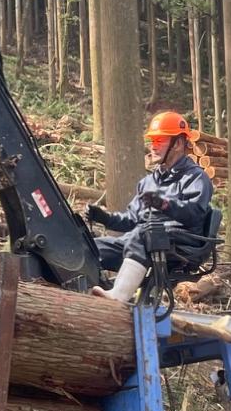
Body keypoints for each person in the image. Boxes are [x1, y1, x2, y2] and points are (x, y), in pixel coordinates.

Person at [86, 110, 216, 303]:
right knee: (90, 247)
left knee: (144, 232)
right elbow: (131, 220)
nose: (153, 147)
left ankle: (117, 297)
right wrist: (104, 218)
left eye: (160, 141)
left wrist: (164, 204)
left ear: (178, 143)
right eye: (152, 141)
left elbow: (194, 213)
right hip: (141, 240)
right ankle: (86, 295)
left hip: (179, 242)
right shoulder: (148, 182)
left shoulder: (196, 178)